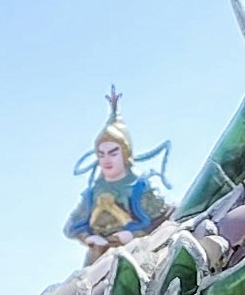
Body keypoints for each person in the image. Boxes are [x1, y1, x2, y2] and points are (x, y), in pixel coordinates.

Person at [66, 90, 173, 245]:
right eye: (101, 154)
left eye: (112, 153)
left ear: (125, 154)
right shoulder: (93, 193)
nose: (107, 160)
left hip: (138, 250)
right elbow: (70, 226)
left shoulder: (139, 187)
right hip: (99, 254)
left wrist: (133, 235)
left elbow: (164, 219)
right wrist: (88, 238)